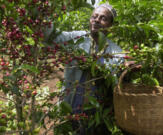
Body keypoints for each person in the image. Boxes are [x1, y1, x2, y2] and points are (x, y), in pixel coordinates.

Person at [53, 3, 124, 134]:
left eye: (103, 18)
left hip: (98, 113)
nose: (96, 20)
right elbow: (52, 36)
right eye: (94, 16)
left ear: (110, 25)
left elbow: (116, 80)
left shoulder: (116, 52)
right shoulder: (76, 38)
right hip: (72, 106)